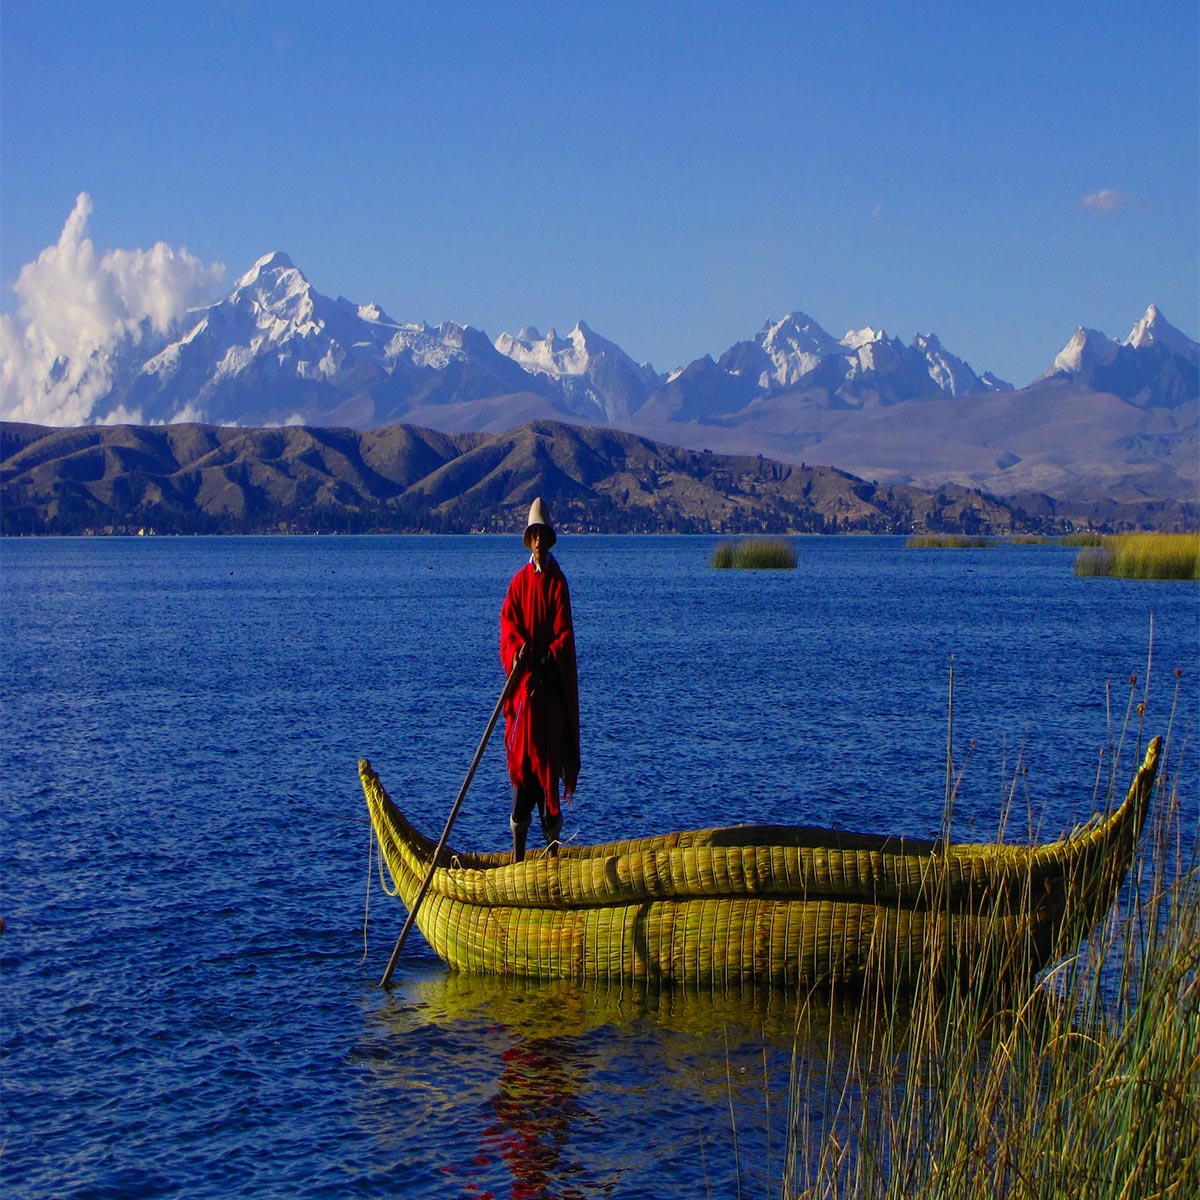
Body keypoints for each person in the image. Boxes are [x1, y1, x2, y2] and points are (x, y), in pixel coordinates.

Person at [499, 497, 580, 862]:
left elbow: (564, 635)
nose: (537, 542)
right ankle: (517, 862)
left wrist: (547, 660)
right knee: (522, 784)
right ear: (529, 538)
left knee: (547, 778)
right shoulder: (518, 583)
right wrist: (518, 652)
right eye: (533, 535)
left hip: (547, 702)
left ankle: (551, 861)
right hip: (523, 705)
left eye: (542, 535)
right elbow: (508, 628)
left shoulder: (558, 583)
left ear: (548, 539)